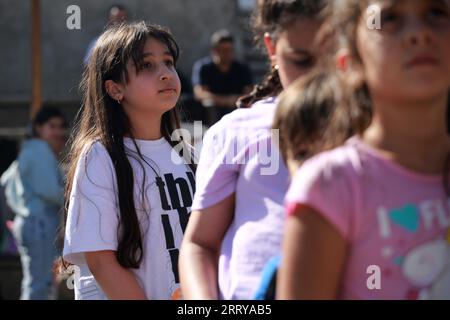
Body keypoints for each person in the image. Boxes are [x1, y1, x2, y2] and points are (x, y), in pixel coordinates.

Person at [277, 0, 450, 300]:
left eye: (436, 12)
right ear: (352, 64)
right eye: (390, 18)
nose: (419, 33)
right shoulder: (333, 185)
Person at [179, 0, 327, 300]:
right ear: (272, 48)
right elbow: (199, 245)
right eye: (301, 59)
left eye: (334, 58)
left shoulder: (381, 131)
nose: (317, 78)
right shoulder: (236, 131)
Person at [62, 22, 196, 300]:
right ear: (114, 89)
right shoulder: (99, 156)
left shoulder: (187, 154)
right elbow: (101, 260)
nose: (165, 74)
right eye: (147, 66)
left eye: (168, 62)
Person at [1, 107, 67, 299]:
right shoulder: (39, 150)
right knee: (40, 284)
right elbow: (52, 192)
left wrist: (19, 204)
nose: (57, 132)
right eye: (51, 126)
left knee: (38, 282)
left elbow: (5, 181)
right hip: (39, 223)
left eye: (60, 127)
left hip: (30, 221)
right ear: (38, 127)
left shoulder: (29, 148)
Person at [191, 29, 253, 126]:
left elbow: (249, 93)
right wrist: (225, 100)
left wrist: (234, 100)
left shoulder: (241, 69)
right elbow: (199, 94)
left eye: (230, 50)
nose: (227, 54)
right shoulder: (204, 67)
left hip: (236, 110)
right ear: (214, 51)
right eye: (223, 50)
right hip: (211, 113)